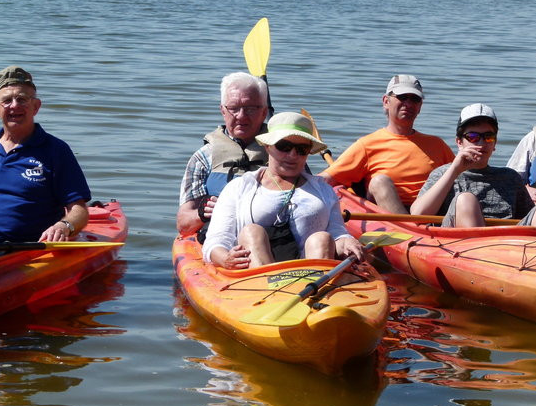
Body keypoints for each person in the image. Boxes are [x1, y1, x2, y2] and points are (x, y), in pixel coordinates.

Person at [202, 112, 364, 269]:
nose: (293, 155)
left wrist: (347, 241)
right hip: (254, 277)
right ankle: (266, 282)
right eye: (284, 147)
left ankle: (316, 283)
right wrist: (225, 259)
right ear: (267, 146)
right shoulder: (238, 187)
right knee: (252, 232)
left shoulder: (324, 190)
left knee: (321, 238)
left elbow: (337, 233)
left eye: (301, 149)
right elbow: (216, 241)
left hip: (312, 274)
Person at [410, 104, 536, 232]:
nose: (481, 143)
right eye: (473, 137)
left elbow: (528, 218)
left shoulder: (510, 177)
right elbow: (418, 215)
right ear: (459, 142)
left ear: (494, 143)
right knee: (466, 200)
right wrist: (455, 170)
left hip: (508, 245)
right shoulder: (444, 173)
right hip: (461, 245)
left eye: (488, 137)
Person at [319, 75, 454, 214]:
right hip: (388, 217)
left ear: (420, 106)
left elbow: (462, 178)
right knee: (379, 182)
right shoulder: (367, 145)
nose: (408, 104)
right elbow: (325, 179)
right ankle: (407, 225)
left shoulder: (438, 145)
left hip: (430, 213)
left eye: (414, 99)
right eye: (402, 97)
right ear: (386, 101)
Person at [0, 66, 91, 243]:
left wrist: (64, 226)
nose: (14, 105)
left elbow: (79, 210)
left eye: (22, 99)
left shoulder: (56, 150)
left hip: (27, 247)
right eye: (6, 100)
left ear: (36, 106)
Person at [177, 72, 269, 237]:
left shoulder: (285, 152)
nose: (241, 116)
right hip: (220, 237)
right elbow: (183, 223)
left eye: (250, 109)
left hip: (271, 237)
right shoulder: (203, 158)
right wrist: (204, 213)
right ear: (223, 111)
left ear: (264, 112)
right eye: (233, 108)